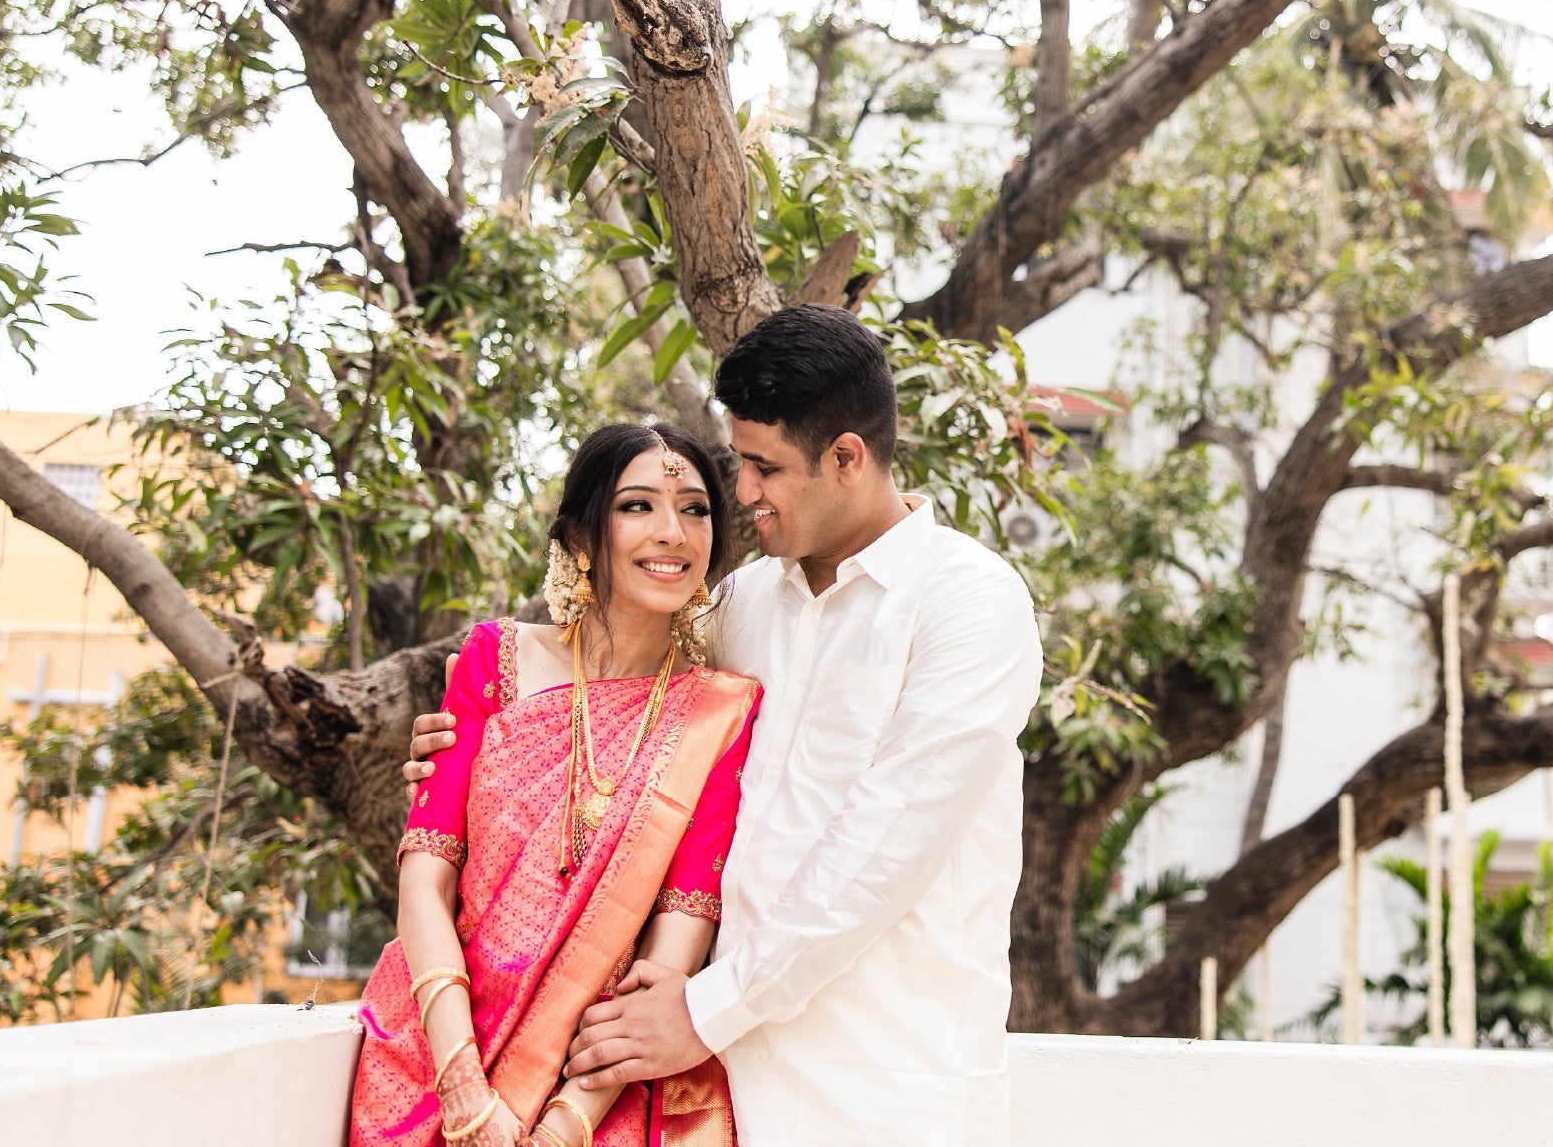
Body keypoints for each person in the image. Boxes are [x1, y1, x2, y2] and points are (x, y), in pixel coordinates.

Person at [408, 304, 1042, 1147]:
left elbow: (887, 847)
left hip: (890, 1085)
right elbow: (606, 724)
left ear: (846, 457)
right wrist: (462, 757)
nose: (740, 493)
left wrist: (706, 1010)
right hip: (720, 1087)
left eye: (763, 467)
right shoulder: (739, 608)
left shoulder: (967, 602)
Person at [352, 423, 759, 1147]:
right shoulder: (491, 661)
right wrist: (463, 1087)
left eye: (695, 509)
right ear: (578, 537)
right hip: (437, 1052)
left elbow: (675, 945)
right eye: (637, 506)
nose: (672, 533)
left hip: (600, 1080)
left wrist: (564, 1125)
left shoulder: (718, 713)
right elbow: (425, 877)